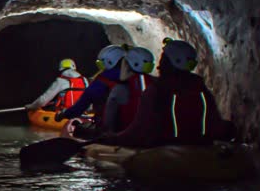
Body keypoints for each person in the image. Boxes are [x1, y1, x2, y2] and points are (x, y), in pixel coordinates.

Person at [98, 38, 233, 148]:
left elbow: (138, 131)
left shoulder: (155, 91)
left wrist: (112, 139)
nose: (159, 65)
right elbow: (215, 125)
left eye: (163, 60)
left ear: (173, 62)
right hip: (202, 147)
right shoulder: (202, 91)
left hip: (164, 150)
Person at [57, 44, 134, 133]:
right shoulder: (136, 77)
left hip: (110, 128)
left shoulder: (101, 81)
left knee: (76, 130)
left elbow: (79, 108)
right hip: (132, 126)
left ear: (109, 62)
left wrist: (63, 115)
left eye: (100, 63)